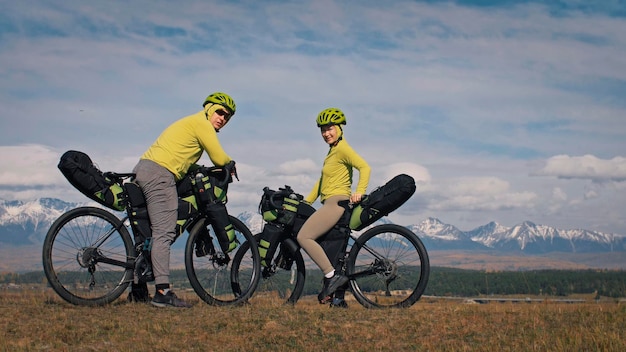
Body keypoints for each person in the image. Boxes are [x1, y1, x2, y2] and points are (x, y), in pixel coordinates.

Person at [132, 92, 237, 308]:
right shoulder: (202, 124)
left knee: (150, 233)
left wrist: (200, 168)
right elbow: (218, 156)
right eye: (219, 112)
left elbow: (182, 159)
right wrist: (229, 164)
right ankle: (162, 292)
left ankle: (137, 288)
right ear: (208, 108)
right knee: (165, 232)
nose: (222, 119)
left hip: (148, 169)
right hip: (160, 174)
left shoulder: (192, 123)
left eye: (227, 117)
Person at [297, 107, 371, 306]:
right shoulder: (332, 152)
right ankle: (337, 296)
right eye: (323, 130)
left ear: (339, 128)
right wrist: (306, 202)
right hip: (329, 202)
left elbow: (364, 167)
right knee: (328, 248)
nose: (326, 133)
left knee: (304, 237)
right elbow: (321, 182)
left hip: (336, 203)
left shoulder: (343, 149)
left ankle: (331, 277)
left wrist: (360, 191)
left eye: (330, 128)